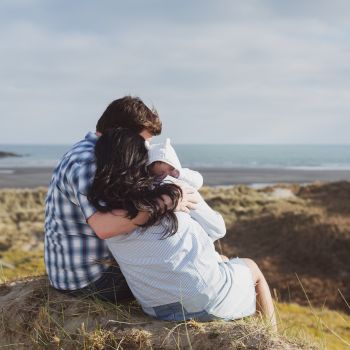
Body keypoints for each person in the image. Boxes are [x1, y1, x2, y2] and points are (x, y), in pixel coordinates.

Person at [89, 128, 277, 330]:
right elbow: (217, 229)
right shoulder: (170, 190)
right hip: (203, 300)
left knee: (221, 261)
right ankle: (272, 338)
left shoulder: (102, 209)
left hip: (154, 307)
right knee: (252, 269)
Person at [44, 96, 197, 303]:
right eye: (142, 142)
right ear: (121, 134)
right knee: (189, 279)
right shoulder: (89, 162)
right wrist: (164, 203)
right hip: (92, 280)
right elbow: (105, 227)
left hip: (75, 272)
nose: (144, 150)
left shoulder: (90, 152)